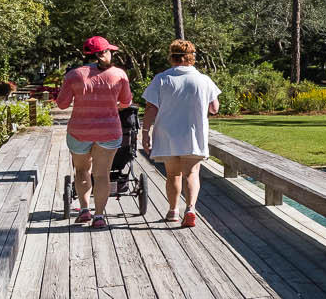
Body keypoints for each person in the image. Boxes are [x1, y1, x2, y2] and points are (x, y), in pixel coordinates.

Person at [141, 38, 222, 227]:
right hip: (194, 134)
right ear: (191, 57)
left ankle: (172, 211)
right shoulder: (203, 80)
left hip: (167, 135)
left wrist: (145, 132)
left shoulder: (162, 78)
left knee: (172, 175)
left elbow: (150, 108)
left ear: (172, 57)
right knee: (192, 173)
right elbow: (214, 108)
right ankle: (191, 208)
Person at [55, 35, 133, 229]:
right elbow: (126, 102)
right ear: (104, 53)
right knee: (102, 174)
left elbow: (62, 104)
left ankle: (84, 210)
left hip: (79, 131)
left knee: (82, 170)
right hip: (109, 132)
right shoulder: (119, 74)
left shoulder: (73, 75)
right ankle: (99, 216)